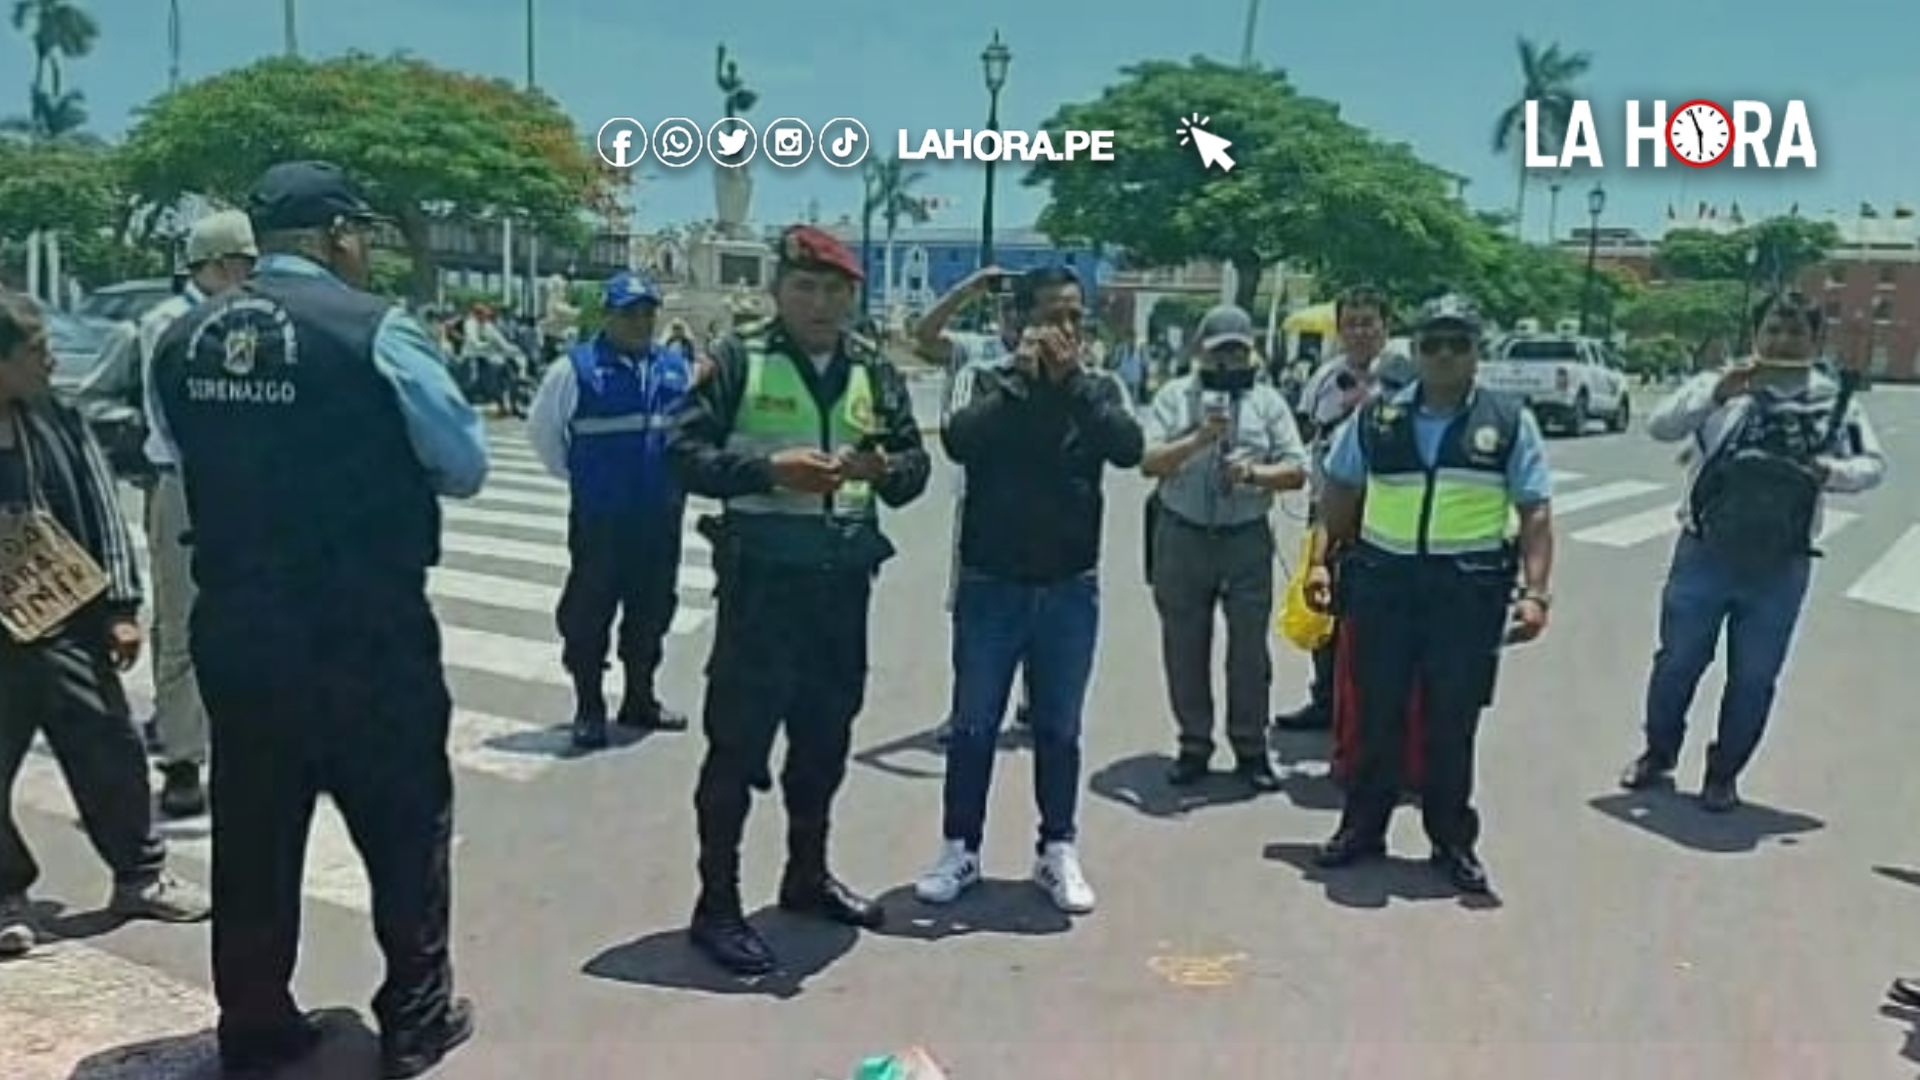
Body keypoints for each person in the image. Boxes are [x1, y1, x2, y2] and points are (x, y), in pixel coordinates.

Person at [151, 161, 486, 1077]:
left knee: (255, 829)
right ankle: (415, 1017)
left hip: (243, 624)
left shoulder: (181, 339)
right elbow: (462, 462)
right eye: (362, 235)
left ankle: (255, 1023)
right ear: (339, 236)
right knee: (404, 822)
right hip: (364, 626)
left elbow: (174, 453)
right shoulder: (380, 330)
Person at [668, 225, 929, 975]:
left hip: (842, 589)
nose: (821, 304)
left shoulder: (873, 368)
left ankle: (805, 876)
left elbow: (913, 467)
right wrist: (766, 467)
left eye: (836, 291)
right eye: (806, 288)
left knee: (824, 742)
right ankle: (715, 906)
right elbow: (680, 455)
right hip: (762, 589)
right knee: (737, 749)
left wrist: (883, 469)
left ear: (854, 297)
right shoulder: (737, 360)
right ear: (778, 290)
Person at [913, 267, 1143, 916]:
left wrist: (1070, 385)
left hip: (1070, 587)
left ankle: (1057, 848)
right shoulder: (990, 381)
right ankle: (960, 847)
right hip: (992, 585)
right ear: (1018, 322)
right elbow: (960, 440)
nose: (1066, 330)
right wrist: (1021, 380)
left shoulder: (1097, 387)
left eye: (1075, 316)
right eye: (1052, 316)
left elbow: (1127, 449)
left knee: (1059, 729)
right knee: (974, 725)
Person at [1307, 294, 1555, 895]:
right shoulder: (1377, 417)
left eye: (1458, 343)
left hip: (1465, 593)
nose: (1444, 355)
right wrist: (1319, 565)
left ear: (1477, 352)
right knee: (1375, 714)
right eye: (1432, 343)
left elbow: (1535, 511)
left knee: (1452, 721)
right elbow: (1339, 492)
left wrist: (1537, 594)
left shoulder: (1508, 419)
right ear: (1414, 351)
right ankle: (1362, 829)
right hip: (1384, 584)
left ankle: (1451, 841)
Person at [0, 293, 211, 961]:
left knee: (109, 747)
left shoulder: (57, 417)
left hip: (62, 616)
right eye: (36, 351)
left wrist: (120, 607)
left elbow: (98, 502)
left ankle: (140, 874)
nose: (52, 359)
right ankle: (6, 893)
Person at [1618, 292, 1884, 810]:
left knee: (1756, 675)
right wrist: (1718, 392)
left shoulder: (1835, 399)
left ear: (1815, 340)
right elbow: (1661, 427)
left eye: (1795, 334)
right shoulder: (1721, 384)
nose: (1782, 342)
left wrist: (1832, 473)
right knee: (1677, 661)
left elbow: (1873, 465)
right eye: (1772, 332)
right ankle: (1658, 752)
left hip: (1782, 563)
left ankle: (1724, 774)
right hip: (1704, 550)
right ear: (1755, 334)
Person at [1140, 304, 1307, 790]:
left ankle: (1251, 748)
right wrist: (1199, 439)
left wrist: (1254, 473)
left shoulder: (1269, 403)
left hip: (1246, 538)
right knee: (1184, 645)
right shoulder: (1173, 398)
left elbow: (1296, 469)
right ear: (1200, 353)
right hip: (1183, 534)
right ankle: (1193, 743)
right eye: (1219, 354)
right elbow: (1148, 462)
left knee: (1250, 652)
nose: (1229, 363)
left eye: (1237, 352)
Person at [528, 271, 695, 750]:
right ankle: (589, 706)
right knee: (589, 610)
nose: (640, 321)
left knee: (654, 608)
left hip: (661, 516)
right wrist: (583, 480)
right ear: (608, 316)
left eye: (647, 312)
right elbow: (544, 436)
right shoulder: (575, 368)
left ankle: (640, 698)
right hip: (601, 518)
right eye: (629, 313)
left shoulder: (674, 367)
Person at [135, 209, 259, 819]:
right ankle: (182, 763)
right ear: (214, 264)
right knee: (182, 625)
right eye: (241, 264)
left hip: (238, 485)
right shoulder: (167, 323)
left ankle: (214, 736)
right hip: (186, 482)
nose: (247, 275)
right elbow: (166, 416)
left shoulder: (243, 320)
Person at [1275, 285, 1391, 732]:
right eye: (1351, 323)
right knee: (1323, 604)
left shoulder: (1404, 378)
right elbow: (1302, 431)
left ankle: (1369, 711)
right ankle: (1325, 699)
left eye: (1368, 322)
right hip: (1327, 506)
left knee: (1374, 619)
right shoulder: (1325, 377)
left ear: (1386, 326)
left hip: (1382, 516)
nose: (1360, 332)